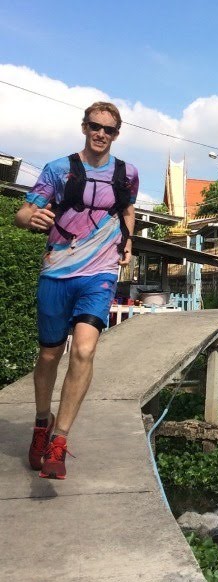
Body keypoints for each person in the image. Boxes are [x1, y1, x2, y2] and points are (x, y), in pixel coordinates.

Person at [15, 101, 139, 479]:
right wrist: (29, 219)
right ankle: (42, 423)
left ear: (117, 134)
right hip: (56, 272)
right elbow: (23, 211)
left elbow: (128, 209)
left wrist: (128, 243)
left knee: (84, 349)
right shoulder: (58, 170)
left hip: (98, 274)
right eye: (95, 126)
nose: (101, 134)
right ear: (84, 127)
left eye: (109, 129)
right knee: (50, 356)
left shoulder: (127, 173)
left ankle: (60, 440)